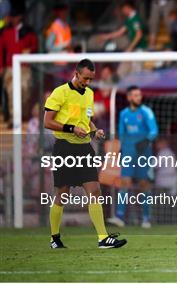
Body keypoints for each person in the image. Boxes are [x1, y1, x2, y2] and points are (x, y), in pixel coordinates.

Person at [44, 59, 127, 249]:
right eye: (85, 78)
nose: (88, 82)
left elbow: (86, 120)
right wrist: (71, 128)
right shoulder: (60, 92)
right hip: (64, 147)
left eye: (91, 79)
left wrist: (94, 130)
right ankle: (54, 238)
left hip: (84, 148)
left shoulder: (89, 94)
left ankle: (102, 238)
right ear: (76, 73)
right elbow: (47, 122)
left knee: (95, 190)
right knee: (62, 194)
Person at [107, 85, 158, 229]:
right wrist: (121, 149)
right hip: (129, 154)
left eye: (139, 95)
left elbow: (154, 130)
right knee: (124, 182)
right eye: (135, 95)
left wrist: (146, 140)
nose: (138, 97)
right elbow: (121, 134)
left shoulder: (146, 112)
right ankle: (120, 217)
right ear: (129, 97)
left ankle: (146, 218)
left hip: (143, 154)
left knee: (143, 185)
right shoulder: (124, 114)